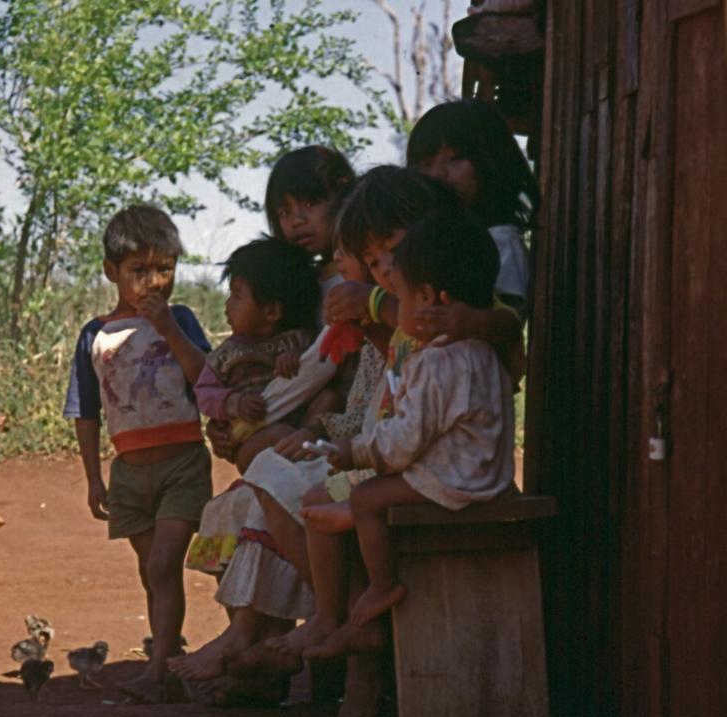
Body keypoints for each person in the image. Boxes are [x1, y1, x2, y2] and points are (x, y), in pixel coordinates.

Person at [306, 211, 517, 629]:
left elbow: (403, 444)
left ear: (426, 298)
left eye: (398, 296)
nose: (392, 302)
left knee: (369, 497)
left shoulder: (438, 362)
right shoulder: (481, 349)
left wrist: (354, 452)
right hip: (485, 474)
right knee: (367, 493)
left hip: (457, 481)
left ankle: (382, 586)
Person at [184, 146, 357, 582]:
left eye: (309, 205)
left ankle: (322, 611)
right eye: (284, 211)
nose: (296, 220)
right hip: (288, 425)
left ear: (343, 197)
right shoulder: (296, 282)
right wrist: (229, 416)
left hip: (341, 426)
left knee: (269, 487)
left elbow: (319, 367)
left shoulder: (357, 275)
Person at [63, 204, 212, 703]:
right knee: (153, 573)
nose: (153, 283)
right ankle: (165, 665)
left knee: (165, 565)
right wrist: (93, 478)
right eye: (139, 272)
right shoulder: (95, 335)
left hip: (182, 464)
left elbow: (207, 382)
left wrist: (170, 329)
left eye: (164, 270)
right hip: (129, 472)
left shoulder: (183, 320)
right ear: (112, 272)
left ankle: (160, 670)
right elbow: (86, 410)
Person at [323, 99, 537, 387]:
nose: (438, 173)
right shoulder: (436, 244)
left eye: (456, 158)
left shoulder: (500, 241)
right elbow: (408, 344)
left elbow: (494, 323)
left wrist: (375, 302)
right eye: (425, 164)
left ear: (492, 161)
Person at [193, 236, 322, 469]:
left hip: (299, 430)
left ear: (272, 311)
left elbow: (319, 369)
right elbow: (203, 392)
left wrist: (295, 359)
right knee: (281, 433)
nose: (227, 304)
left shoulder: (300, 340)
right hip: (251, 443)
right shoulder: (226, 355)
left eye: (237, 296)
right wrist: (234, 402)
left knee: (328, 400)